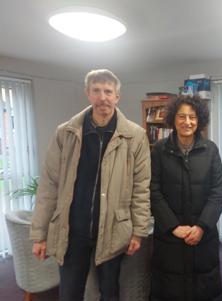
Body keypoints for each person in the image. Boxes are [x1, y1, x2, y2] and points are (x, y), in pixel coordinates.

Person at [29, 69, 151, 301]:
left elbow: (141, 189)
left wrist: (139, 231)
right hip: (72, 231)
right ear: (88, 94)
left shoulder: (135, 136)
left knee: (110, 292)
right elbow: (49, 186)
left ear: (117, 96)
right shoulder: (65, 133)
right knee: (70, 292)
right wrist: (39, 234)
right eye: (96, 90)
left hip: (114, 230)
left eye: (108, 91)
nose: (102, 97)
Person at [150, 96, 222, 301]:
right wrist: (173, 226)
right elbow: (153, 191)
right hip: (169, 235)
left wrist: (202, 226)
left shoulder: (210, 150)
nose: (187, 122)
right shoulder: (159, 149)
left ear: (199, 120)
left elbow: (217, 192)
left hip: (203, 235)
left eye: (192, 117)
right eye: (181, 116)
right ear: (173, 119)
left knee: (204, 288)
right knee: (170, 289)